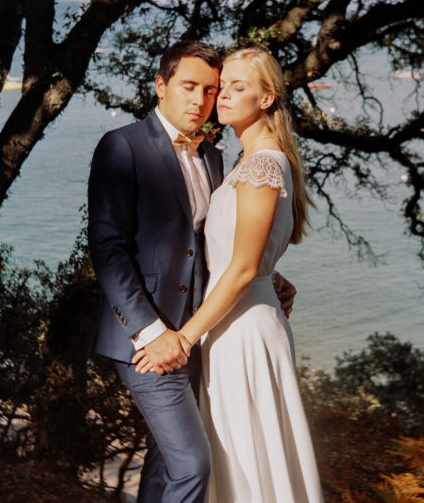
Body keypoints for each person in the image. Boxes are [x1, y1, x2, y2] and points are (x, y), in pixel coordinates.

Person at [88, 41, 296, 503]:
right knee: (193, 465)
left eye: (211, 89)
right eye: (189, 87)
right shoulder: (122, 147)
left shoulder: (216, 156)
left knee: (166, 464)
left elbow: (209, 245)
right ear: (160, 87)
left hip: (204, 337)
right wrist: (153, 333)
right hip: (148, 343)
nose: (201, 101)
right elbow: (109, 250)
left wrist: (267, 276)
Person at [134, 47, 323, 502]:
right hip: (234, 324)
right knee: (237, 460)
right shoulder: (246, 161)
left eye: (239, 88)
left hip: (240, 331)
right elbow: (238, 258)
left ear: (267, 98)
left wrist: (181, 338)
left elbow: (240, 270)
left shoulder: (261, 165)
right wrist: (269, 276)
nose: (222, 97)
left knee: (246, 462)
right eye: (223, 88)